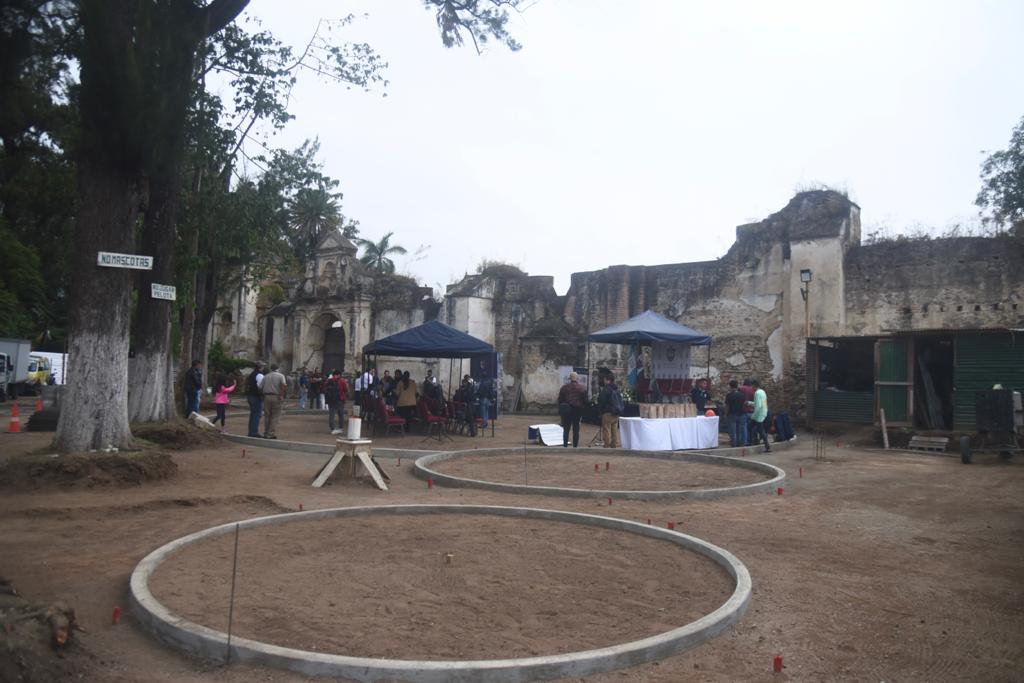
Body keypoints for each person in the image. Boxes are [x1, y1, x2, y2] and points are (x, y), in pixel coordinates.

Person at [556, 371, 587, 448]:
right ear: (577, 379)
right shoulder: (582, 388)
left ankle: (565, 445)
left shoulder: (564, 388)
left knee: (566, 429)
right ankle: (575, 446)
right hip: (577, 410)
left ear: (570, 379)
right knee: (576, 429)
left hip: (567, 410)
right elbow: (585, 400)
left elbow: (560, 400)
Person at [261, 364, 287, 439]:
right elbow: (283, 385)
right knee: (275, 416)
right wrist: (281, 395)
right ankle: (270, 433)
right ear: (278, 369)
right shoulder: (281, 376)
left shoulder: (266, 376)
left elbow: (260, 387)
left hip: (266, 396)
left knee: (267, 416)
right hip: (276, 396)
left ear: (271, 369)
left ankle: (266, 432)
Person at [598, 372, 623, 449]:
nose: (604, 380)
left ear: (607, 380)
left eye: (605, 379)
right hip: (616, 412)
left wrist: (600, 410)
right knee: (614, 430)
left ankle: (606, 446)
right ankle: (614, 445)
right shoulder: (616, 388)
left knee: (606, 430)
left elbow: (602, 400)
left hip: (607, 412)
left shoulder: (606, 389)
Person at [748, 379, 770, 453]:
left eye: (752, 386)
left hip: (758, 415)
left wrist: (753, 416)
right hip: (764, 412)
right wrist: (750, 403)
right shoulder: (762, 392)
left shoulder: (757, 393)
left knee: (757, 429)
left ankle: (753, 442)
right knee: (754, 428)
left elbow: (758, 406)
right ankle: (754, 441)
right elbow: (760, 403)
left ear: (754, 386)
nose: (751, 388)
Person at [324, 369, 349, 434]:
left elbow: (325, 388)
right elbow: (346, 390)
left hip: (331, 400)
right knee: (340, 414)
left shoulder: (328, 381)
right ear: (338, 375)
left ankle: (332, 428)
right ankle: (341, 428)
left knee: (331, 415)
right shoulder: (342, 381)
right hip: (340, 399)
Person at [724, 379, 748, 448]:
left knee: (733, 431)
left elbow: (727, 406)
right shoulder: (742, 395)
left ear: (730, 386)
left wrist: (726, 414)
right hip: (741, 414)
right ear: (737, 386)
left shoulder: (729, 395)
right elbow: (745, 404)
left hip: (732, 414)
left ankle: (734, 444)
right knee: (739, 430)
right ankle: (741, 443)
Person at [246, 363, 265, 438]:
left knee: (253, 414)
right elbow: (261, 386)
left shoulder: (251, 374)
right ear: (260, 367)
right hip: (256, 396)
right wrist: (263, 395)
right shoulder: (259, 375)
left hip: (250, 395)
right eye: (263, 366)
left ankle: (251, 431)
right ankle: (254, 432)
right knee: (257, 414)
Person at [739, 379, 755, 445]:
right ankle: (751, 440)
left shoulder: (741, 389)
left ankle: (744, 442)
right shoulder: (753, 389)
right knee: (751, 427)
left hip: (743, 411)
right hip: (751, 411)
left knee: (743, 427)